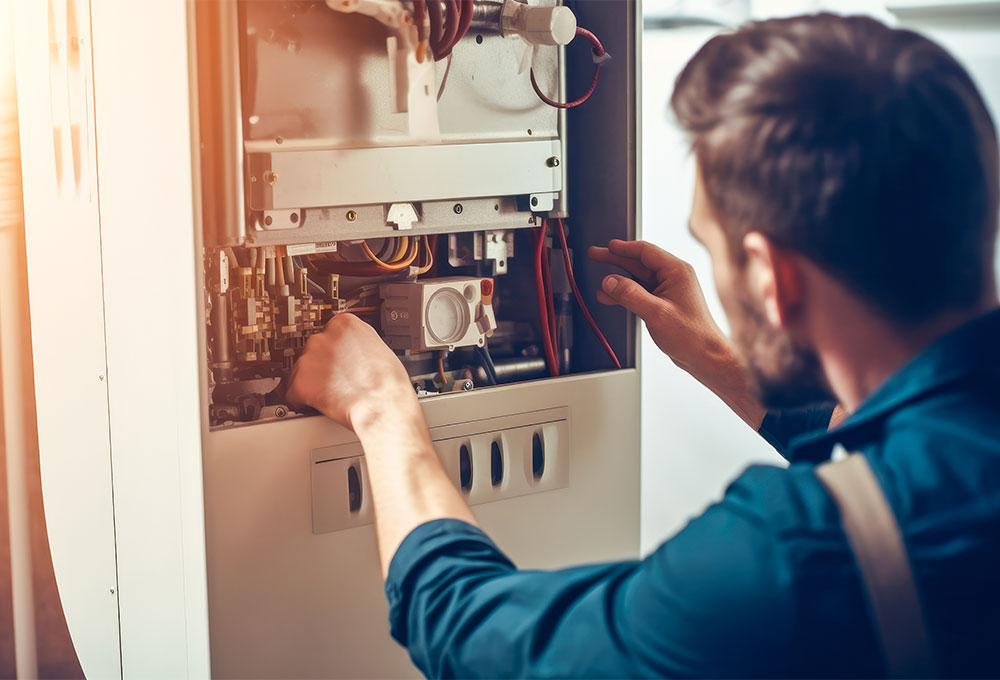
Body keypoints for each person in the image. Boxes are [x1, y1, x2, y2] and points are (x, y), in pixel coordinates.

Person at [287, 13, 1000, 678]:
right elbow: (916, 465)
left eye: (713, 250)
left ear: (772, 276)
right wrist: (727, 366)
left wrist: (385, 413)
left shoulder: (787, 560)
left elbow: (487, 643)